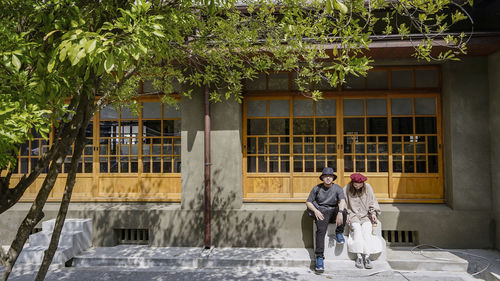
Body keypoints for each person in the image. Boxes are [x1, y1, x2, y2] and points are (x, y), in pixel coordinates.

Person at [306, 167, 347, 273]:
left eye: (330, 176)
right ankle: (319, 258)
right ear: (322, 178)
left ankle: (339, 233)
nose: (328, 178)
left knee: (344, 211)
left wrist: (340, 212)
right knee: (320, 231)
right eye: (326, 176)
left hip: (334, 210)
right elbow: (308, 202)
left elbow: (342, 200)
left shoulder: (337, 188)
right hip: (322, 212)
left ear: (333, 177)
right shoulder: (317, 188)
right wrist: (315, 210)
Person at [344, 173, 382, 269]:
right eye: (355, 184)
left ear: (363, 183)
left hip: (365, 215)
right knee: (357, 230)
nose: (357, 186)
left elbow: (372, 201)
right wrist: (347, 214)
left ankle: (367, 257)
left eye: (359, 184)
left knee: (367, 229)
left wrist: (373, 214)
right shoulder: (347, 188)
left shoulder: (368, 187)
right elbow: (343, 202)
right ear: (352, 182)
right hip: (353, 215)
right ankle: (359, 256)